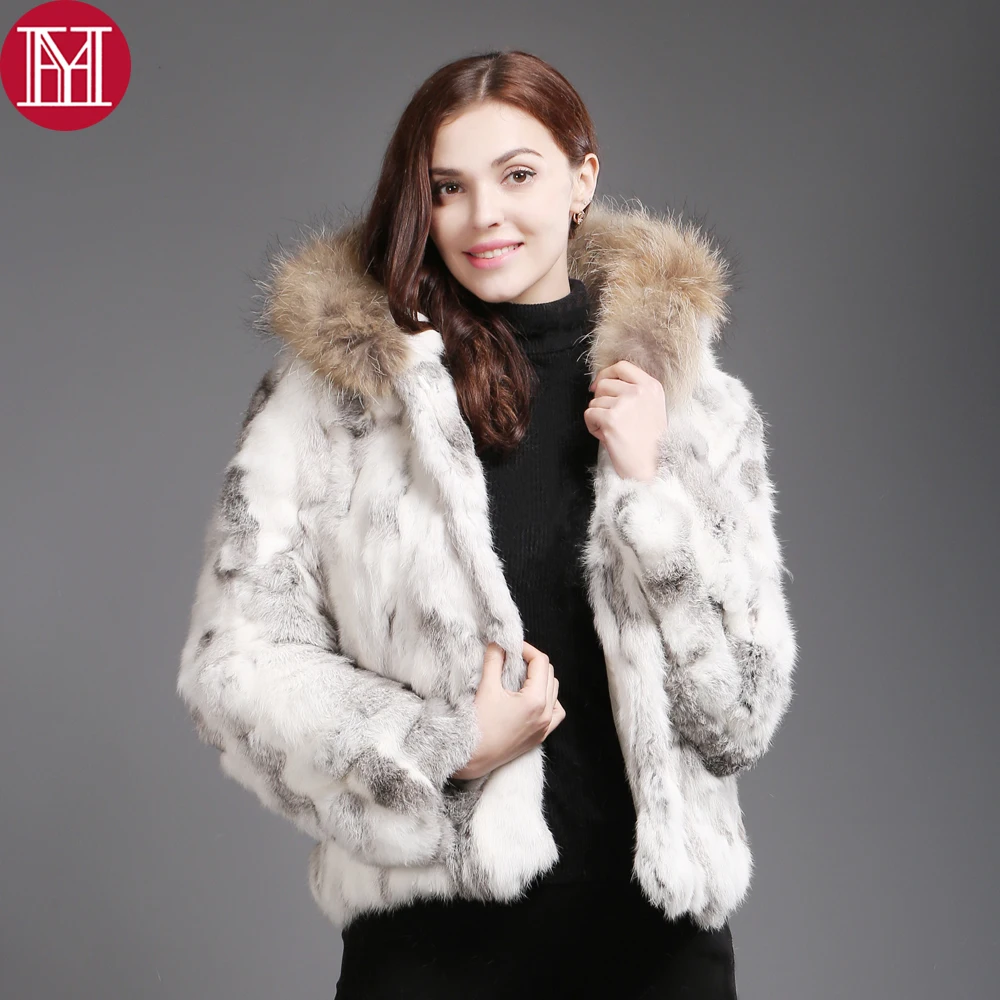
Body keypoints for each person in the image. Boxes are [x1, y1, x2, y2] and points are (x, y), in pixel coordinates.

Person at [176, 49, 797, 999]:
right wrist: (445, 743)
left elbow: (738, 718)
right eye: (449, 188)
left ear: (582, 180)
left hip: (655, 946)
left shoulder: (691, 405)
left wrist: (648, 493)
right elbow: (236, 666)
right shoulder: (343, 401)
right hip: (434, 949)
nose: (483, 217)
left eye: (517, 175)